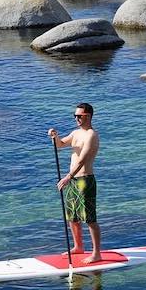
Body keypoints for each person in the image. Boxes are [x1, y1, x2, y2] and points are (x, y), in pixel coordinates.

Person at [47, 102, 102, 263]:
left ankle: (96, 253)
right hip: (72, 179)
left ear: (88, 116)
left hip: (85, 180)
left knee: (90, 218)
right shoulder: (76, 133)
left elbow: (82, 160)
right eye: (75, 116)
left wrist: (67, 177)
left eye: (80, 116)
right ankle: (78, 246)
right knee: (72, 216)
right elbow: (60, 145)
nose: (77, 118)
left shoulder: (92, 135)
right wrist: (55, 136)